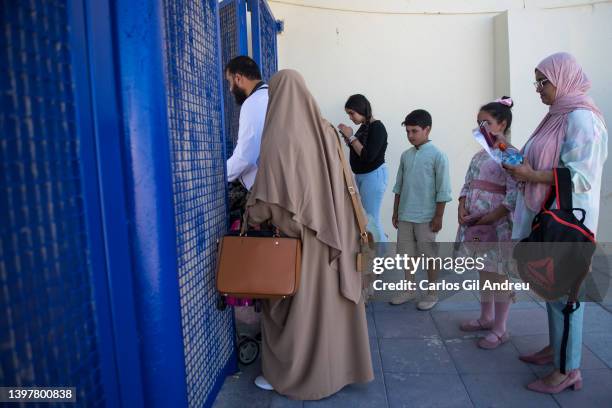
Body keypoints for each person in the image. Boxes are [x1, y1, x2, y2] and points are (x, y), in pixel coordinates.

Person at [245, 70, 374, 399]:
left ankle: (292, 375)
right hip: (336, 233)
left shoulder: (279, 136)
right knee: (329, 306)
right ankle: (337, 370)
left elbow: (270, 202)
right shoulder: (326, 129)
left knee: (297, 309)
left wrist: (251, 214)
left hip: (301, 239)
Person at [503, 52, 607, 393]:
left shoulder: (582, 118)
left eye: (542, 81)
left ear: (562, 79)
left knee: (566, 295)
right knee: (551, 288)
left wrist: (530, 173)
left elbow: (582, 176)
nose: (538, 89)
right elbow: (544, 158)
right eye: (537, 82)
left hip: (568, 223)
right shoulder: (557, 116)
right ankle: (556, 347)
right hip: (548, 217)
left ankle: (567, 370)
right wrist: (517, 160)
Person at [456, 97, 518, 349]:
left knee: (499, 273)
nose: (481, 127)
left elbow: (515, 191)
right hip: (476, 223)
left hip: (497, 225)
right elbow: (467, 183)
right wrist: (461, 206)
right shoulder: (479, 156)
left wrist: (493, 216)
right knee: (484, 270)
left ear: (501, 123)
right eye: (478, 122)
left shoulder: (511, 155)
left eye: (487, 122)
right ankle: (485, 316)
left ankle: (501, 327)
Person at [390, 109, 452, 310]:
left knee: (429, 256)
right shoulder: (405, 156)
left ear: (427, 129)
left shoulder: (438, 156)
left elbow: (443, 190)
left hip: (427, 217)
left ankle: (432, 293)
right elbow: (399, 186)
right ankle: (409, 289)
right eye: (407, 131)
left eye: (414, 131)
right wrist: (395, 211)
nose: (410, 136)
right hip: (406, 215)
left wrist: (439, 217)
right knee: (407, 255)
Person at [338, 94, 388, 242]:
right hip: (363, 177)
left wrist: (351, 138)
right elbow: (359, 152)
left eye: (352, 113)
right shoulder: (364, 127)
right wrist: (349, 138)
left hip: (373, 176)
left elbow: (368, 156)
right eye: (348, 114)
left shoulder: (377, 127)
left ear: (361, 109)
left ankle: (383, 260)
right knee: (366, 219)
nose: (350, 117)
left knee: (371, 220)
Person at [224, 56, 269, 222]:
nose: (230, 89)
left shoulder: (254, 103)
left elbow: (246, 156)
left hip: (262, 192)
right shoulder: (268, 96)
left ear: (238, 78)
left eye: (230, 82)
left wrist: (219, 178)